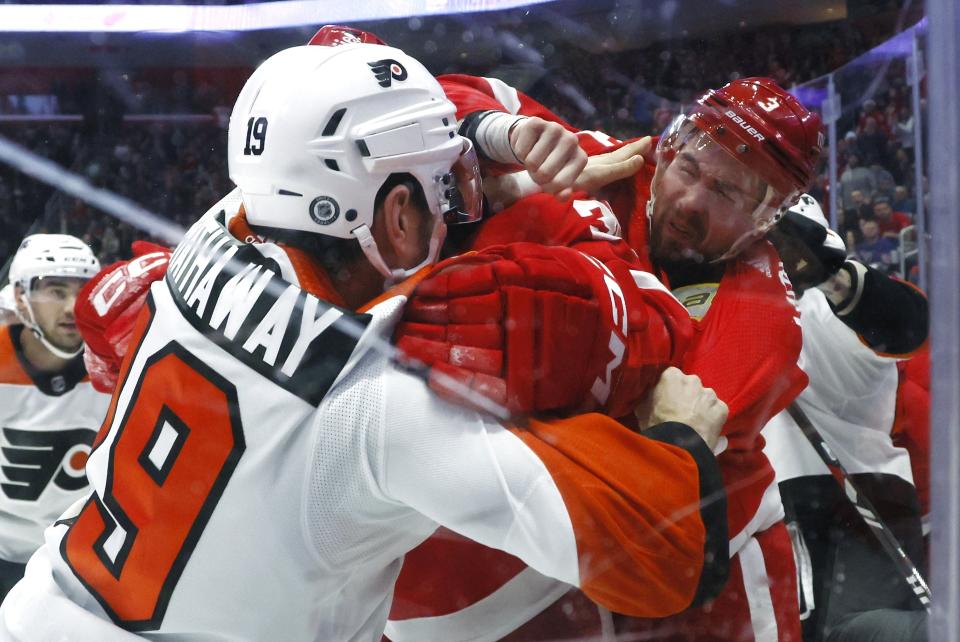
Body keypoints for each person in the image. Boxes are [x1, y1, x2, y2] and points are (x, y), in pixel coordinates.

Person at [0, 38, 730, 641]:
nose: (462, 198)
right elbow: (666, 558)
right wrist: (680, 436)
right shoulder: (383, 401)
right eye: (444, 183)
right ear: (399, 214)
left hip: (45, 609)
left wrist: (495, 147)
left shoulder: (212, 235)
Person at [387, 75, 820, 642]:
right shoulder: (611, 161)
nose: (691, 202)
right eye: (689, 170)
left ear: (765, 221)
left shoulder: (759, 317)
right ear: (669, 148)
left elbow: (655, 468)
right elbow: (423, 90)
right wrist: (505, 136)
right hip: (510, 553)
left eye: (728, 193)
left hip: (697, 583)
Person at [763, 194, 928, 642]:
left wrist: (834, 277)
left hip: (852, 500)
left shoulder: (829, 309)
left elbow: (906, 321)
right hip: (802, 500)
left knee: (844, 632)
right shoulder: (742, 307)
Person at [0, 234, 107, 601]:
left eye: (83, 290)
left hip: (83, 560)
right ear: (20, 298)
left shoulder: (120, 361)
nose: (72, 307)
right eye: (56, 291)